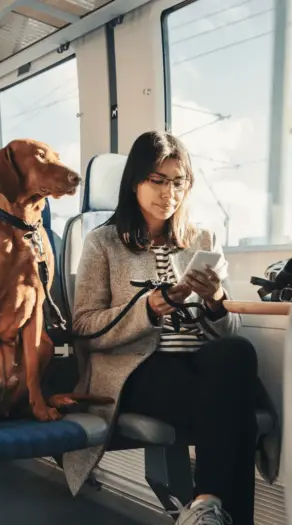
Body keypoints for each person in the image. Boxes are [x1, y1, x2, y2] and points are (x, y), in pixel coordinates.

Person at [67, 131, 259, 525]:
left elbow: (230, 329)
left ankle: (204, 505)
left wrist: (214, 299)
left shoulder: (203, 239)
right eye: (157, 180)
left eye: (178, 182)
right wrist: (151, 308)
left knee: (237, 353)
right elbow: (84, 328)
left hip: (199, 365)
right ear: (135, 181)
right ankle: (218, 512)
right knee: (234, 408)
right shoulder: (102, 242)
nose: (167, 192)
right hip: (138, 369)